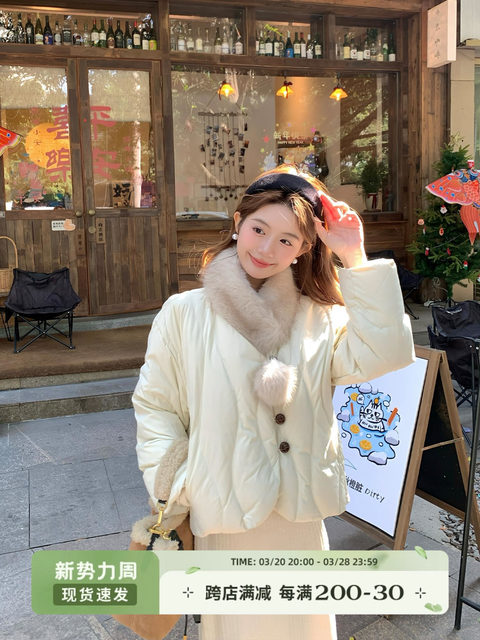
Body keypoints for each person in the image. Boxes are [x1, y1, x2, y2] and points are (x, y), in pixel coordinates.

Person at [133, 165, 415, 640]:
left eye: (287, 240)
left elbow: (385, 353)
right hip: (223, 514)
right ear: (238, 222)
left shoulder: (320, 317)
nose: (266, 249)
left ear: (305, 248)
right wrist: (181, 484)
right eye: (259, 229)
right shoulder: (184, 314)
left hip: (298, 514)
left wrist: (354, 255)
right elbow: (156, 407)